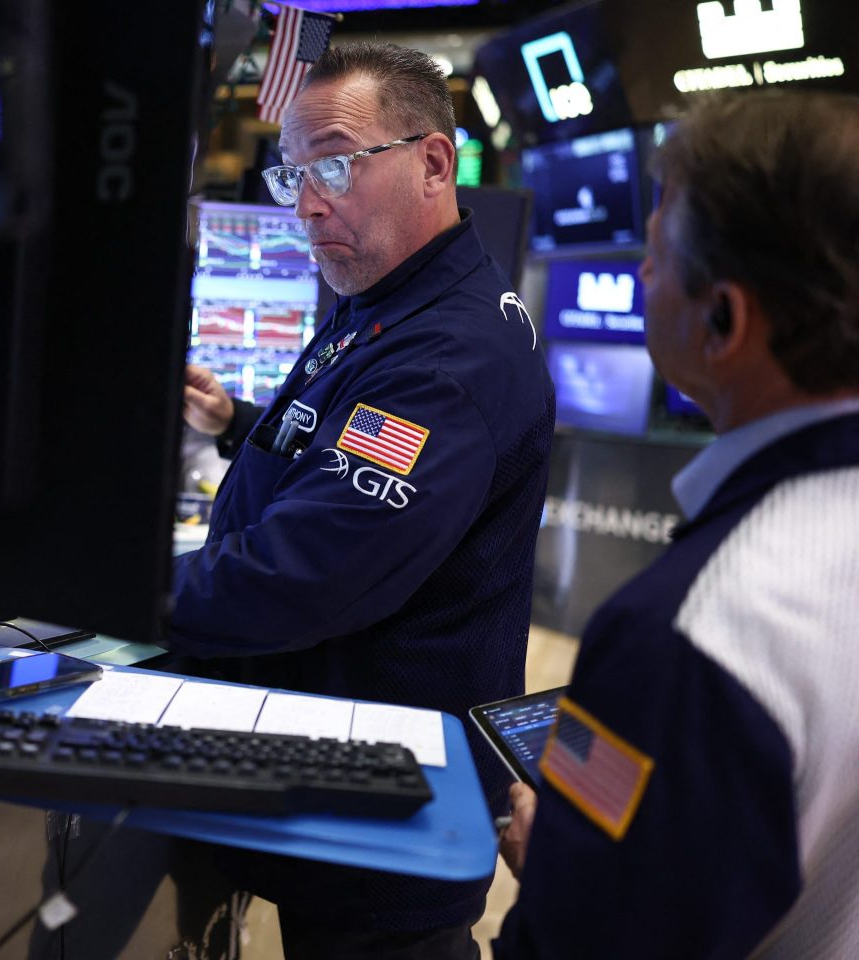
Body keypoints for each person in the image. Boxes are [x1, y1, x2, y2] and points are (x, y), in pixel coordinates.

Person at [168, 42, 555, 958]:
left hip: (384, 819)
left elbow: (308, 574)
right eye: (294, 173)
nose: (306, 202)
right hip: (345, 775)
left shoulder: (445, 355)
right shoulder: (390, 301)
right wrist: (238, 421)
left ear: (432, 161)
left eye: (334, 164)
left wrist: (108, 590)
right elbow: (337, 441)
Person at [494, 90, 859, 959]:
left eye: (654, 256)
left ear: (726, 318)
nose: (643, 280)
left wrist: (562, 867)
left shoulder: (688, 635)